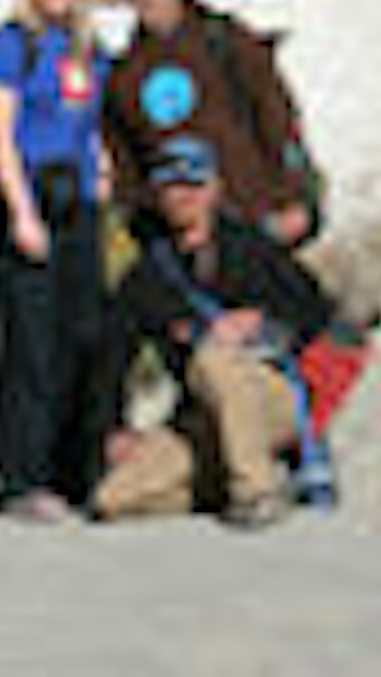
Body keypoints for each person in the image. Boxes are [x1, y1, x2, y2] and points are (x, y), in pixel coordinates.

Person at [92, 136, 345, 529]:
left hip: (272, 400)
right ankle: (241, 475)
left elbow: (317, 309)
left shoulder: (250, 247)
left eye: (194, 184)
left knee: (213, 358)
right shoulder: (148, 275)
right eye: (172, 186)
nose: (184, 196)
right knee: (113, 500)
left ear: (214, 189)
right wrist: (115, 428)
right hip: (205, 415)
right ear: (157, 193)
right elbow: (114, 353)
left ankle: (256, 490)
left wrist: (262, 320)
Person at [0, 0, 109, 518]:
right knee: (32, 345)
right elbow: (0, 134)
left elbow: (93, 123)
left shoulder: (86, 47)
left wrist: (103, 173)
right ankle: (24, 477)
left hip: (80, 204)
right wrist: (20, 212)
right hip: (33, 202)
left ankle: (73, 469)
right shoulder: (13, 45)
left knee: (80, 337)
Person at [104, 0, 319, 248]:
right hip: (179, 234)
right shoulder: (124, 74)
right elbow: (125, 159)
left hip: (250, 214)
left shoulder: (225, 41)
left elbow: (277, 117)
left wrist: (292, 195)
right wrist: (143, 221)